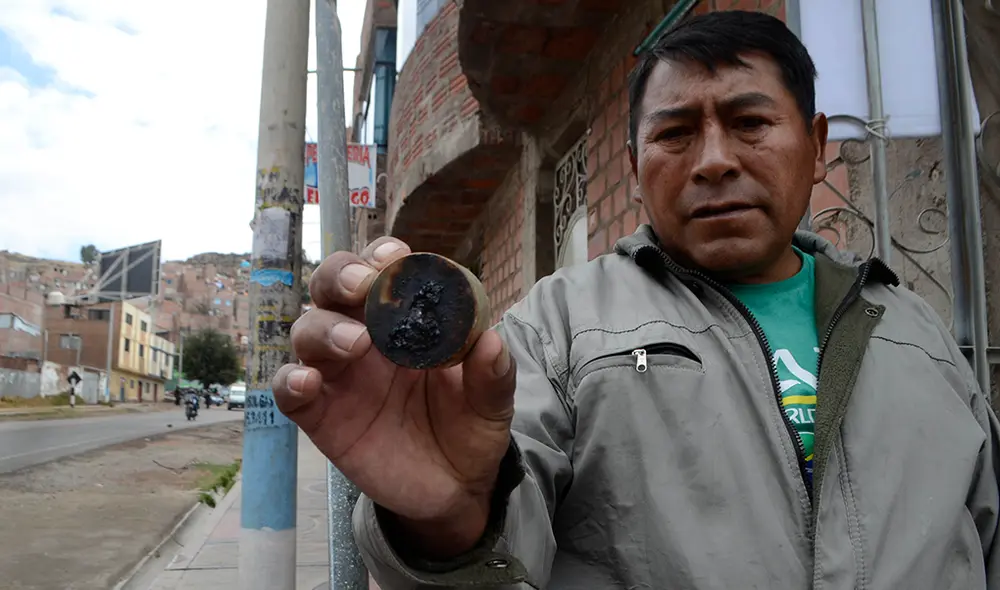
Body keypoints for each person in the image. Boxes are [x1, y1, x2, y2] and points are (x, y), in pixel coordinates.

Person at [273, 10, 1000, 589]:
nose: (714, 161)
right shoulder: (554, 331)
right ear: (633, 163)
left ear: (814, 143)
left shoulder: (915, 331)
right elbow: (497, 538)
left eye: (750, 123)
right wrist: (448, 524)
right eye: (676, 133)